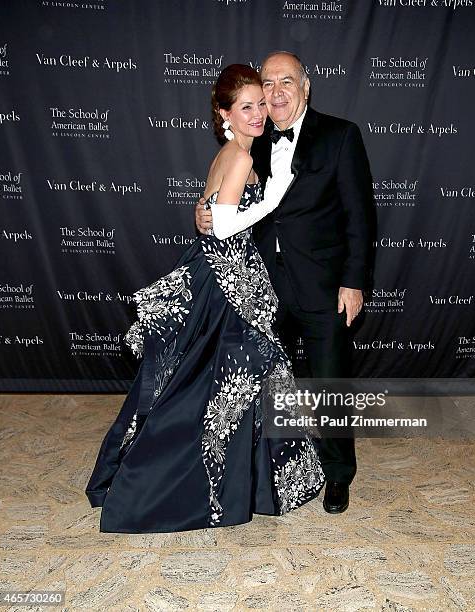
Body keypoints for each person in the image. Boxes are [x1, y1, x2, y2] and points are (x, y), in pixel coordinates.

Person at [85, 64, 325, 533]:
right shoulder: (238, 158)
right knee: (219, 389)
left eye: (261, 104)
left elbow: (212, 216)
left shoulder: (231, 154)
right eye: (246, 107)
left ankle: (244, 481)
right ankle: (178, 486)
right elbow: (227, 223)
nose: (258, 114)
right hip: (227, 285)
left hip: (226, 273)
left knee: (221, 386)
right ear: (224, 114)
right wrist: (273, 196)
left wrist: (217, 214)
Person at [196, 52, 374, 515]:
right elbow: (223, 193)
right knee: (265, 388)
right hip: (261, 288)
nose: (275, 93)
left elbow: (360, 217)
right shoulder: (252, 133)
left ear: (306, 87)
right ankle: (265, 474)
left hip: (322, 287)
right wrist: (204, 213)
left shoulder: (340, 136)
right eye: (268, 83)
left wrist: (353, 282)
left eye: (286, 82)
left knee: (329, 383)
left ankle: (338, 476)